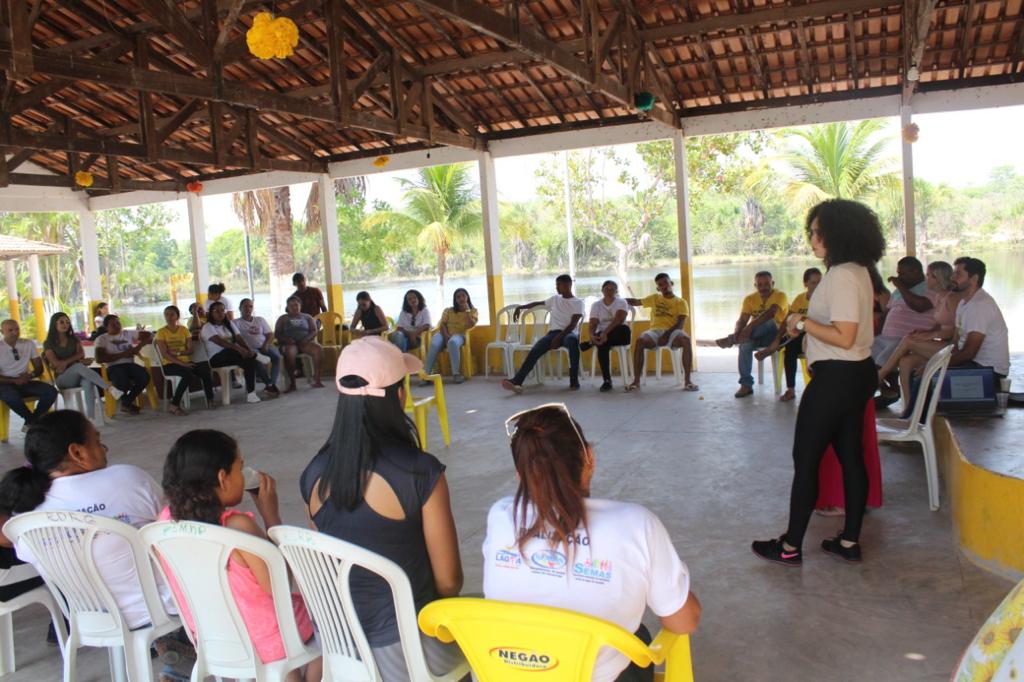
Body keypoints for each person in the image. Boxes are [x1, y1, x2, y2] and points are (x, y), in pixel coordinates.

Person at [483, 405, 701, 682]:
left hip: (506, 674)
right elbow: (684, 621)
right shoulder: (637, 525)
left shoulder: (501, 516)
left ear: (519, 474)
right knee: (638, 636)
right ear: (589, 458)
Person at [300, 337, 465, 681]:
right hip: (409, 652)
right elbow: (449, 582)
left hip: (342, 651)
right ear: (399, 397)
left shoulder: (313, 474)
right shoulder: (419, 473)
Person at [752, 198, 885, 566]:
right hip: (857, 374)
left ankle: (790, 546)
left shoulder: (841, 275)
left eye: (816, 232)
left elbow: (844, 335)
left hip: (836, 378)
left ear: (837, 234)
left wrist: (800, 322)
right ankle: (849, 541)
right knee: (851, 458)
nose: (812, 239)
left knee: (806, 459)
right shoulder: (859, 270)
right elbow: (848, 329)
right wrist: (808, 325)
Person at [160, 430, 321, 682]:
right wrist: (271, 517)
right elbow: (278, 584)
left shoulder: (165, 522)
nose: (244, 476)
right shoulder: (237, 528)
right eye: (240, 468)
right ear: (222, 478)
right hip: (267, 641)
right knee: (329, 623)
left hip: (214, 639)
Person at [1, 410, 176, 628]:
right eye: (97, 442)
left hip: (90, 621)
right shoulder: (126, 479)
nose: (104, 449)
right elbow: (173, 528)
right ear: (77, 452)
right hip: (161, 610)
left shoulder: (24, 516)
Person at [875, 261, 958, 413]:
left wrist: (932, 334)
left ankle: (881, 374)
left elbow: (954, 331)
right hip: (936, 344)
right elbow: (938, 324)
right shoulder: (939, 297)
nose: (927, 279)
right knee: (905, 362)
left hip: (952, 347)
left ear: (939, 278)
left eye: (930, 276)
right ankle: (909, 410)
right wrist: (926, 332)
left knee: (908, 339)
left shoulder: (951, 298)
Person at [502, 274, 585, 393]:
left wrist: (559, 337)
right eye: (556, 285)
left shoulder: (578, 303)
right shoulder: (555, 299)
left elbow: (572, 325)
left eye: (559, 285)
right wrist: (521, 307)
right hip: (553, 334)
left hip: (569, 333)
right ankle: (517, 381)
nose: (556, 287)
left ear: (568, 285)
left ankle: (574, 381)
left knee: (573, 341)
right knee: (536, 349)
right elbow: (539, 303)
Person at [872, 257, 937, 405]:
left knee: (881, 364)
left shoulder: (929, 287)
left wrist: (901, 286)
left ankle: (888, 391)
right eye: (898, 273)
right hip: (886, 337)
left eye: (903, 273)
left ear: (916, 271)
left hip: (907, 338)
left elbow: (920, 306)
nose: (899, 277)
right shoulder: (898, 291)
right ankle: (889, 391)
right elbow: (887, 312)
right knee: (862, 358)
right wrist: (879, 331)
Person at [716, 271, 789, 398]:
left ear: (773, 283)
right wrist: (738, 331)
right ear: (755, 285)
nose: (763, 287)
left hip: (776, 337)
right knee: (745, 344)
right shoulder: (750, 299)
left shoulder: (780, 295)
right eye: (760, 285)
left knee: (769, 321)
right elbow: (742, 319)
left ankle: (732, 340)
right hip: (756, 335)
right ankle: (746, 385)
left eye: (767, 284)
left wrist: (749, 328)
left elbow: (771, 313)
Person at [755, 268, 823, 402]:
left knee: (811, 346)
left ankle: (817, 389)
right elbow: (787, 320)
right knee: (790, 350)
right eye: (813, 283)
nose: (817, 286)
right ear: (805, 284)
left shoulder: (826, 300)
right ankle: (790, 389)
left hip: (818, 336)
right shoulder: (800, 299)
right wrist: (778, 337)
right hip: (799, 334)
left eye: (820, 282)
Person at [624, 273, 696, 392]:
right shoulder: (655, 298)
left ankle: (688, 381)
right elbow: (636, 302)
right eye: (660, 285)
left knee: (686, 340)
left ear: (671, 283)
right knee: (640, 340)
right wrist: (617, 299)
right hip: (654, 331)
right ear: (658, 288)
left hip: (673, 332)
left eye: (666, 283)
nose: (664, 286)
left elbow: (680, 325)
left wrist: (666, 335)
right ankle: (636, 382)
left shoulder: (681, 302)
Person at [43, 312, 121, 420]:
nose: (65, 324)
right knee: (79, 367)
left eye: (67, 322)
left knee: (88, 382)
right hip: (62, 378)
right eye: (61, 322)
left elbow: (81, 354)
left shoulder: (74, 339)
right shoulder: (48, 343)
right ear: (54, 324)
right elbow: (56, 364)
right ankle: (109, 388)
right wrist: (75, 361)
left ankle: (90, 418)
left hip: (77, 375)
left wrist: (66, 363)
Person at [947, 257, 1010, 378]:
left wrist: (937, 366)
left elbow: (969, 352)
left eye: (958, 274)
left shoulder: (979, 305)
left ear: (974, 279)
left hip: (989, 371)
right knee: (920, 366)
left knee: (928, 379)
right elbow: (956, 341)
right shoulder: (964, 302)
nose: (952, 278)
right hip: (974, 364)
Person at [155, 305, 215, 416]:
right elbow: (165, 354)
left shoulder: (184, 330)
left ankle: (210, 399)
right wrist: (182, 363)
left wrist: (178, 353)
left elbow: (190, 350)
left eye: (172, 314)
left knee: (204, 369)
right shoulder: (161, 332)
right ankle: (174, 405)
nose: (169, 317)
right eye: (166, 314)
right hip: (169, 365)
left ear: (177, 316)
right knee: (188, 374)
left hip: (185, 362)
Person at [0, 319, 58, 431]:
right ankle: (32, 420)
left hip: (25, 381)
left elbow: (39, 368)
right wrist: (14, 380)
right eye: (10, 330)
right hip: (5, 384)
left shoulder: (28, 343)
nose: (15, 333)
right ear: (2, 332)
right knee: (11, 396)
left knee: (51, 391)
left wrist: (30, 375)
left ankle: (31, 421)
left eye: (17, 329)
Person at [201, 301, 262, 404]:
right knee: (232, 350)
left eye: (222, 310)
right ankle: (256, 356)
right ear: (211, 313)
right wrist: (240, 349)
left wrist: (248, 350)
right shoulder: (208, 327)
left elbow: (239, 338)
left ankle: (251, 394)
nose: (220, 313)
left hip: (233, 355)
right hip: (216, 359)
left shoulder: (229, 324)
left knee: (249, 361)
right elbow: (221, 342)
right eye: (217, 311)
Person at [93, 314, 151, 415]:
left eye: (118, 323)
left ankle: (126, 402)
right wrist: (124, 354)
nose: (117, 326)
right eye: (113, 325)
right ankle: (126, 403)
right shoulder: (102, 339)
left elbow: (148, 335)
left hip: (129, 364)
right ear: (106, 327)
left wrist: (139, 347)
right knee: (122, 381)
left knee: (144, 376)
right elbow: (99, 359)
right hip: (113, 366)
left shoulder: (127, 333)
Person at [581, 280, 632, 392]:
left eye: (612, 289)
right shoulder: (596, 305)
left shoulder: (621, 302)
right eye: (606, 289)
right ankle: (607, 381)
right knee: (602, 344)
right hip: (604, 337)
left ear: (616, 291)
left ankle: (592, 343)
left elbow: (619, 320)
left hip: (620, 334)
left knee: (619, 330)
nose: (609, 291)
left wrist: (604, 333)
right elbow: (593, 323)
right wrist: (591, 334)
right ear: (602, 290)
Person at [423, 288, 477, 385]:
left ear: (467, 297)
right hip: (444, 333)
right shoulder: (448, 310)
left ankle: (456, 374)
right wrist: (446, 336)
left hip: (459, 335)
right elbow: (442, 324)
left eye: (463, 296)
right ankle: (426, 376)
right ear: (455, 299)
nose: (461, 298)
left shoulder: (473, 311)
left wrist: (467, 312)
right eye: (458, 297)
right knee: (434, 344)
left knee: (453, 342)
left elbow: (471, 325)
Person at [274, 296, 325, 393]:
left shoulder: (307, 317)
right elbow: (277, 333)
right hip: (290, 344)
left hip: (305, 343)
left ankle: (317, 380)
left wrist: (307, 338)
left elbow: (314, 331)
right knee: (290, 352)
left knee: (319, 349)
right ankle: (292, 383)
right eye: (291, 306)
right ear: (287, 307)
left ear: (300, 306)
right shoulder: (283, 318)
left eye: (296, 305)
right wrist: (286, 339)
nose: (294, 307)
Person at [236, 298, 281, 397]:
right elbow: (236, 339)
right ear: (240, 308)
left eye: (250, 306)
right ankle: (269, 384)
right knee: (256, 360)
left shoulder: (260, 319)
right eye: (245, 306)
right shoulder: (236, 322)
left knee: (277, 357)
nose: (248, 309)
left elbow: (270, 334)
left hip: (264, 345)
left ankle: (271, 383)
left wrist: (266, 345)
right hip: (250, 349)